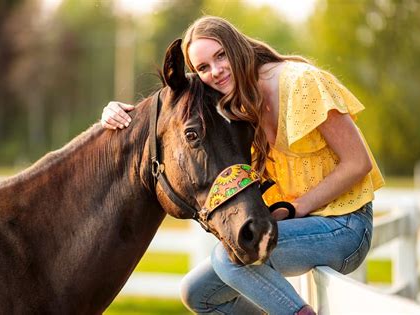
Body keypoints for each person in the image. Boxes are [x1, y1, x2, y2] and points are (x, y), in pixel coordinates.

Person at [101, 16, 384, 315]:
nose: (216, 71)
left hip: (345, 225)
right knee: (198, 293)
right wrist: (121, 115)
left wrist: (297, 207)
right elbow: (173, 105)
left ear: (236, 47)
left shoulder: (301, 83)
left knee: (229, 260)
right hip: (299, 228)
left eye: (221, 55)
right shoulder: (229, 102)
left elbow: (358, 162)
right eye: (203, 68)